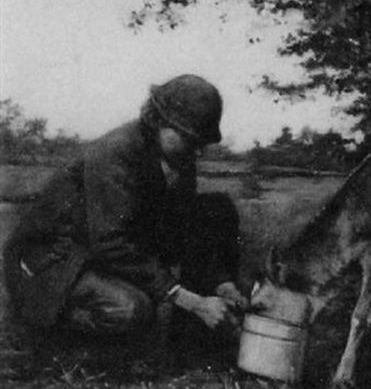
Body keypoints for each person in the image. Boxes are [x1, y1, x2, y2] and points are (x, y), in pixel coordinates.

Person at [3, 74, 247, 339]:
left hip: (97, 256)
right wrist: (191, 300)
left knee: (215, 208)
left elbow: (185, 229)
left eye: (202, 143)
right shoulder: (115, 153)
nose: (198, 152)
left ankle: (190, 340)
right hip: (54, 260)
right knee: (131, 310)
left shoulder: (178, 158)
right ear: (160, 122)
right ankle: (46, 330)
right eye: (191, 139)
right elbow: (110, 242)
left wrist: (221, 283)